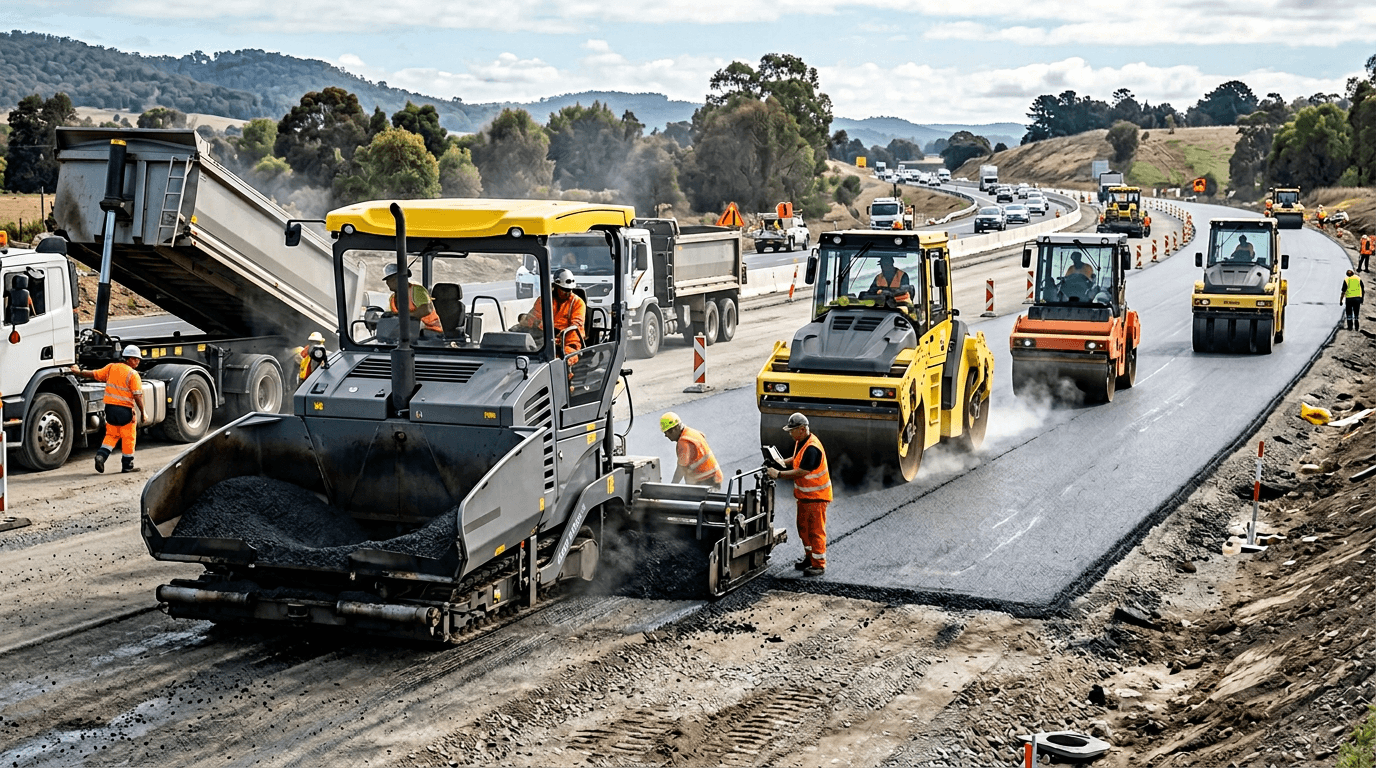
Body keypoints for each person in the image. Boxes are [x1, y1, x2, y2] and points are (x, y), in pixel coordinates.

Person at [766, 412, 831, 577]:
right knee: (803, 528)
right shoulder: (801, 442)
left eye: (792, 430)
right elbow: (796, 459)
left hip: (816, 498)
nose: (789, 433)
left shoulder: (812, 448)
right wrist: (781, 462)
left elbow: (802, 471)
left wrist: (778, 474)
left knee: (815, 531)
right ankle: (810, 558)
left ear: (802, 429)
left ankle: (818, 565)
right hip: (805, 497)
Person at [70, 345, 145, 474]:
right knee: (129, 437)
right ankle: (127, 465)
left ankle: (101, 456)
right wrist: (143, 412)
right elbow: (138, 396)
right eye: (136, 359)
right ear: (129, 359)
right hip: (125, 411)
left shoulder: (111, 367)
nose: (138, 361)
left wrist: (78, 372)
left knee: (111, 435)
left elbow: (94, 374)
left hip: (110, 409)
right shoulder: (133, 374)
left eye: (138, 359)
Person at [520, 268, 586, 360]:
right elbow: (534, 318)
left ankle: (568, 373)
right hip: (544, 339)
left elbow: (577, 324)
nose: (568, 292)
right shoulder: (543, 300)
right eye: (564, 289)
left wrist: (559, 338)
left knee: (565, 360)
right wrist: (525, 322)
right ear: (556, 286)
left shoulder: (577, 302)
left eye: (570, 290)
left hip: (567, 343)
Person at [660, 412, 723, 490]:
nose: (666, 436)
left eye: (667, 432)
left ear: (675, 429)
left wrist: (672, 486)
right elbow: (703, 436)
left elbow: (681, 469)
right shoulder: (690, 432)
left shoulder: (684, 442)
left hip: (707, 480)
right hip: (713, 477)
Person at [382, 263, 443, 336]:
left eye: (391, 279)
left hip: (431, 333)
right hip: (409, 335)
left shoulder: (417, 290)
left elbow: (426, 309)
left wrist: (400, 316)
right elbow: (394, 320)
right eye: (387, 280)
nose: (387, 283)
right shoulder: (392, 298)